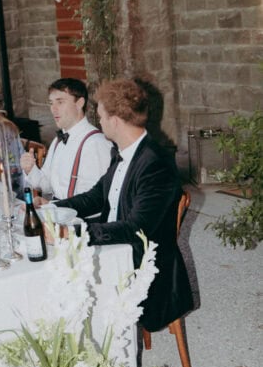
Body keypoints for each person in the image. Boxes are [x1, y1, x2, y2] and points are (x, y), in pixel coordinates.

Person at [55, 78, 194, 333]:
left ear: (115, 121)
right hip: (117, 246)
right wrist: (53, 209)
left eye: (101, 117)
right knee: (54, 266)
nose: (100, 123)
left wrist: (75, 232)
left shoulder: (156, 164)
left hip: (141, 262)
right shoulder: (122, 151)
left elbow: (136, 227)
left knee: (64, 280)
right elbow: (97, 196)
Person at [20, 78, 113, 202]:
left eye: (60, 102)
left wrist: (53, 207)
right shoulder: (57, 142)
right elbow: (47, 186)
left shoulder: (96, 144)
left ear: (79, 103)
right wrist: (31, 169)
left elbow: (96, 200)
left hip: (82, 219)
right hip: (57, 213)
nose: (53, 109)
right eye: (51, 103)